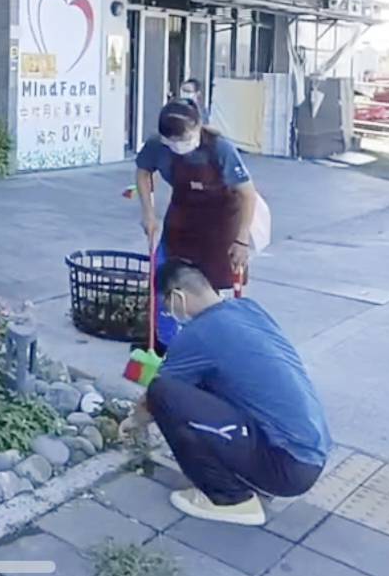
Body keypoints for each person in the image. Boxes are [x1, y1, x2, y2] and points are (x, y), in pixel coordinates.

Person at [119, 261, 330, 526]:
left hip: (286, 466)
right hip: (310, 451)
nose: (168, 313)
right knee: (205, 385)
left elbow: (156, 396)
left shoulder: (199, 334)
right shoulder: (248, 309)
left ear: (178, 298)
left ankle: (231, 500)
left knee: (164, 393)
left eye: (166, 306)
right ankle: (246, 476)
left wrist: (132, 422)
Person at [135, 99, 257, 297]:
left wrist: (242, 240)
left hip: (221, 217)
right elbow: (143, 172)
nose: (177, 146)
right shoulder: (157, 145)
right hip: (183, 212)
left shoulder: (220, 149)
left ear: (198, 127)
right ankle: (171, 320)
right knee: (173, 274)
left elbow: (248, 194)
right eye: (171, 141)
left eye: (184, 139)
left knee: (213, 280)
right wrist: (148, 213)